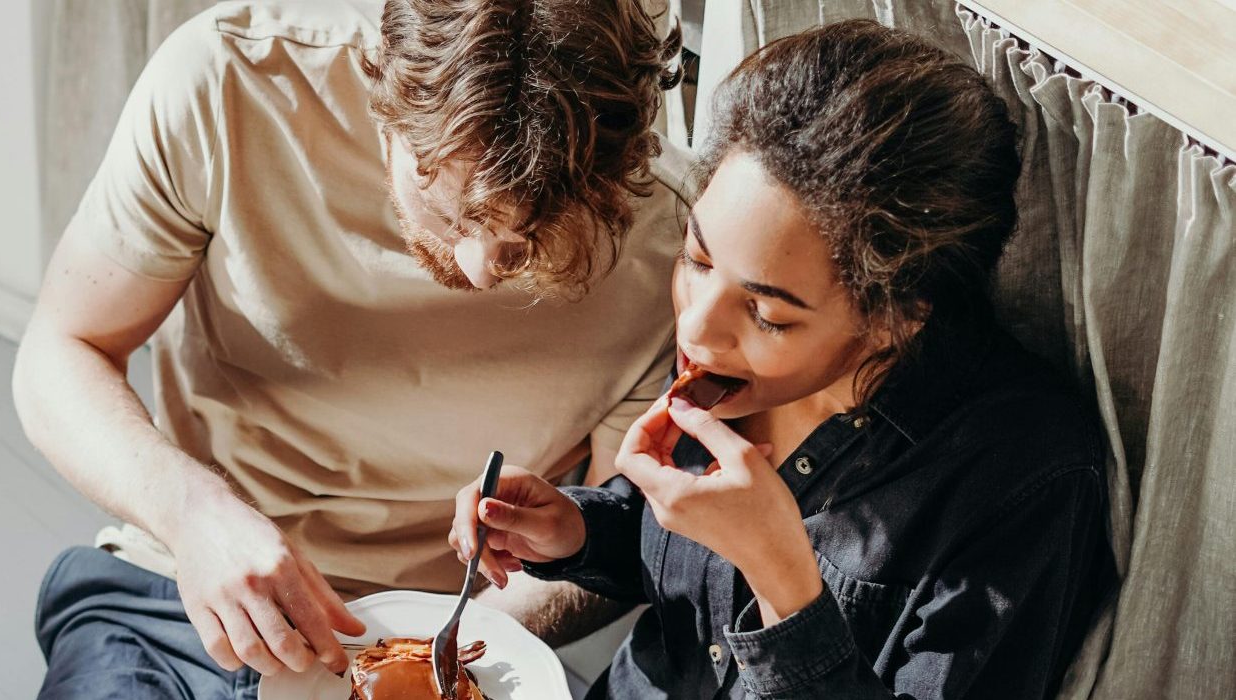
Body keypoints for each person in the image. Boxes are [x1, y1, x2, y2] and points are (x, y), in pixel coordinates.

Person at [14, 1, 689, 697]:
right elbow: (62, 349)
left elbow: (614, 533)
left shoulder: (679, 243)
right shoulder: (228, 82)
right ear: (385, 98)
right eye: (450, 212)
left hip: (459, 634)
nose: (482, 267)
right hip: (183, 593)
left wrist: (435, 665)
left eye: (531, 238)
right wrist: (191, 514)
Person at [451, 19, 1115, 698]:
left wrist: (784, 584)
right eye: (698, 258)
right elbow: (677, 563)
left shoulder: (1021, 479)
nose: (698, 326)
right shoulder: (724, 378)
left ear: (896, 316)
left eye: (766, 313)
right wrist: (579, 530)